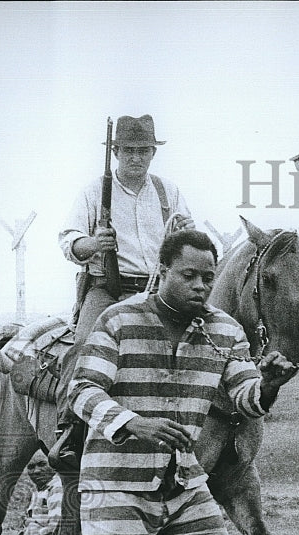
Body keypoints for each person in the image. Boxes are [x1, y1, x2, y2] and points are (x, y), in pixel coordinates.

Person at [53, 229, 297, 535]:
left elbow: (245, 396)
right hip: (117, 487)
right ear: (162, 272)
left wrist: (268, 385)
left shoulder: (225, 331)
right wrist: (133, 422)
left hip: (185, 488)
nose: (201, 286)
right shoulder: (117, 320)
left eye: (209, 277)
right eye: (189, 275)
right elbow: (80, 388)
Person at [51, 114, 194, 470]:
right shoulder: (93, 191)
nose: (136, 157)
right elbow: (68, 241)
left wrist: (185, 235)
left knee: (205, 340)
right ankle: (70, 430)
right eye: (128, 150)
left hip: (159, 291)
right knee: (85, 347)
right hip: (109, 290)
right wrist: (92, 243)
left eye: (143, 150)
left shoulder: (168, 192)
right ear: (115, 152)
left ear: (152, 153)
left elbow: (187, 236)